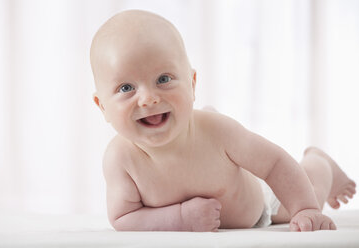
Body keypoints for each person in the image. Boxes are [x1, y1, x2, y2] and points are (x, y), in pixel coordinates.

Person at [90, 9, 356, 232]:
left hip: (260, 204)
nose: (148, 99)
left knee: (310, 193)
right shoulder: (119, 159)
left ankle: (319, 163)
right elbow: (124, 218)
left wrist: (305, 208)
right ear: (102, 107)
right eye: (126, 88)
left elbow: (274, 164)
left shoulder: (217, 131)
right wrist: (181, 219)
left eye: (163, 79)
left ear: (192, 84)